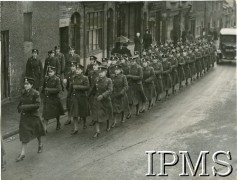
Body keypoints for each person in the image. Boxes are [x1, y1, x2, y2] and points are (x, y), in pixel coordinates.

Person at [16, 77, 45, 162]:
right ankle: (22, 153)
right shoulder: (23, 93)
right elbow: (21, 102)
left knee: (37, 132)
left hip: (33, 116)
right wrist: (19, 108)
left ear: (31, 85)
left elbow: (37, 105)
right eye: (25, 84)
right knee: (24, 135)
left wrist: (24, 107)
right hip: (25, 117)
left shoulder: (36, 93)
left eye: (27, 84)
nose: (25, 85)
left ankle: (40, 144)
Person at [88, 66, 113, 138]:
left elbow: (110, 90)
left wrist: (103, 95)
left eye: (102, 72)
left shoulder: (109, 80)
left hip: (105, 99)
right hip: (97, 100)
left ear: (105, 72)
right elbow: (93, 89)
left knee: (107, 113)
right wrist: (88, 96)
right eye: (99, 72)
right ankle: (97, 131)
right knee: (96, 115)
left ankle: (108, 125)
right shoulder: (96, 80)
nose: (100, 74)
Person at [42, 66, 64, 132]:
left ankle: (58, 123)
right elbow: (43, 88)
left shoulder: (57, 79)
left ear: (54, 72)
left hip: (54, 99)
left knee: (56, 113)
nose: (49, 73)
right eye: (49, 72)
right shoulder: (46, 79)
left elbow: (58, 89)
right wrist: (43, 96)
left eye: (51, 72)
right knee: (46, 114)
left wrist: (48, 90)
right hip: (47, 99)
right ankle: (44, 128)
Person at [69, 63, 90, 134]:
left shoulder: (85, 78)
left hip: (82, 97)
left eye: (78, 70)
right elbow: (71, 88)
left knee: (83, 112)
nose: (77, 71)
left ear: (81, 71)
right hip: (74, 98)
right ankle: (76, 128)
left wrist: (77, 87)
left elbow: (87, 87)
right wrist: (69, 96)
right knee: (75, 113)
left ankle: (84, 123)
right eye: (76, 70)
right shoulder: (73, 77)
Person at [111, 63, 129, 127]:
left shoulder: (123, 76)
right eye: (115, 69)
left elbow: (126, 86)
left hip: (121, 94)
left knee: (122, 107)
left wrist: (121, 92)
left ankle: (123, 116)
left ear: (121, 70)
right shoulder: (112, 76)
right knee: (114, 109)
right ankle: (114, 121)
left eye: (117, 69)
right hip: (114, 94)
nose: (116, 71)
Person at [64, 61, 77, 125]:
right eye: (71, 66)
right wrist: (68, 90)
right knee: (69, 105)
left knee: (76, 105)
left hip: (76, 92)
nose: (72, 68)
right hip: (70, 92)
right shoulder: (68, 74)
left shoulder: (77, 74)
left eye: (73, 66)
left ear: (76, 67)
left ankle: (78, 118)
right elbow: (67, 84)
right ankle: (69, 119)